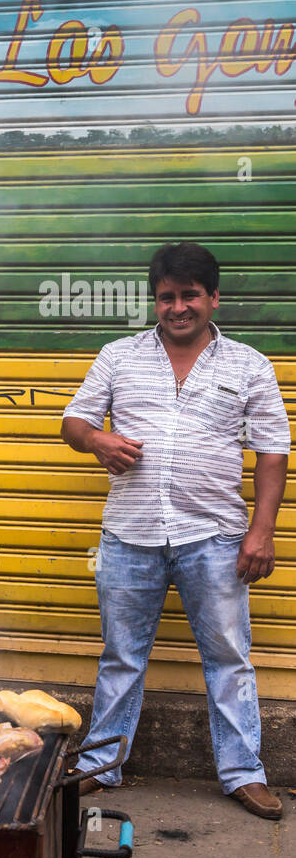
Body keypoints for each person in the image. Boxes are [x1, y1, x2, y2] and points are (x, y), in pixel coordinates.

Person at [62, 241, 289, 821]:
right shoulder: (118, 356)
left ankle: (243, 774)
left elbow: (271, 452)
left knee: (229, 657)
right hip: (129, 537)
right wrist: (98, 440)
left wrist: (261, 532)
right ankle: (100, 765)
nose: (178, 307)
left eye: (191, 295)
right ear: (154, 300)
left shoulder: (248, 365)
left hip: (214, 536)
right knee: (121, 656)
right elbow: (75, 420)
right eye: (167, 296)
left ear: (213, 297)